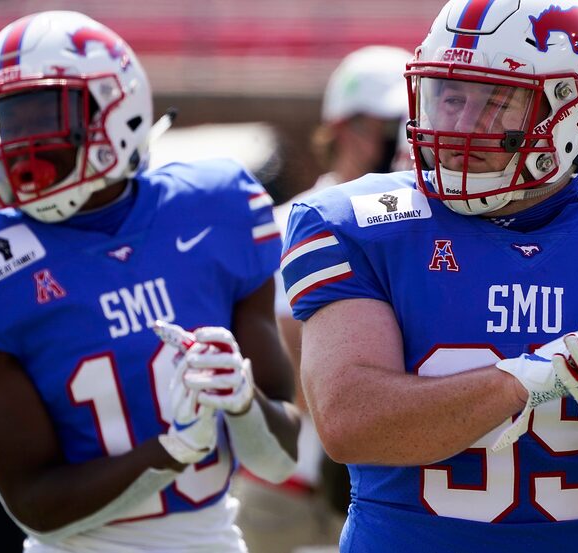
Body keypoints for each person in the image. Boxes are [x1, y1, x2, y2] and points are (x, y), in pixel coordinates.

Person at [280, 0, 578, 551]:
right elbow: (350, 423)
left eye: (493, 103)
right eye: (449, 96)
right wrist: (527, 378)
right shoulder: (361, 224)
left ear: (574, 110)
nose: (458, 125)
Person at [0, 10, 299, 552]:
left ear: (117, 111)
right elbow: (37, 508)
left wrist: (242, 402)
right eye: (2, 123)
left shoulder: (219, 205)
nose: (14, 146)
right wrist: (173, 449)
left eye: (38, 117)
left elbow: (280, 460)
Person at [233, 45, 412, 553]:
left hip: (380, 480)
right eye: (396, 122)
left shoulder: (422, 231)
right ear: (350, 128)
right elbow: (301, 380)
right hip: (289, 484)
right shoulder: (288, 221)